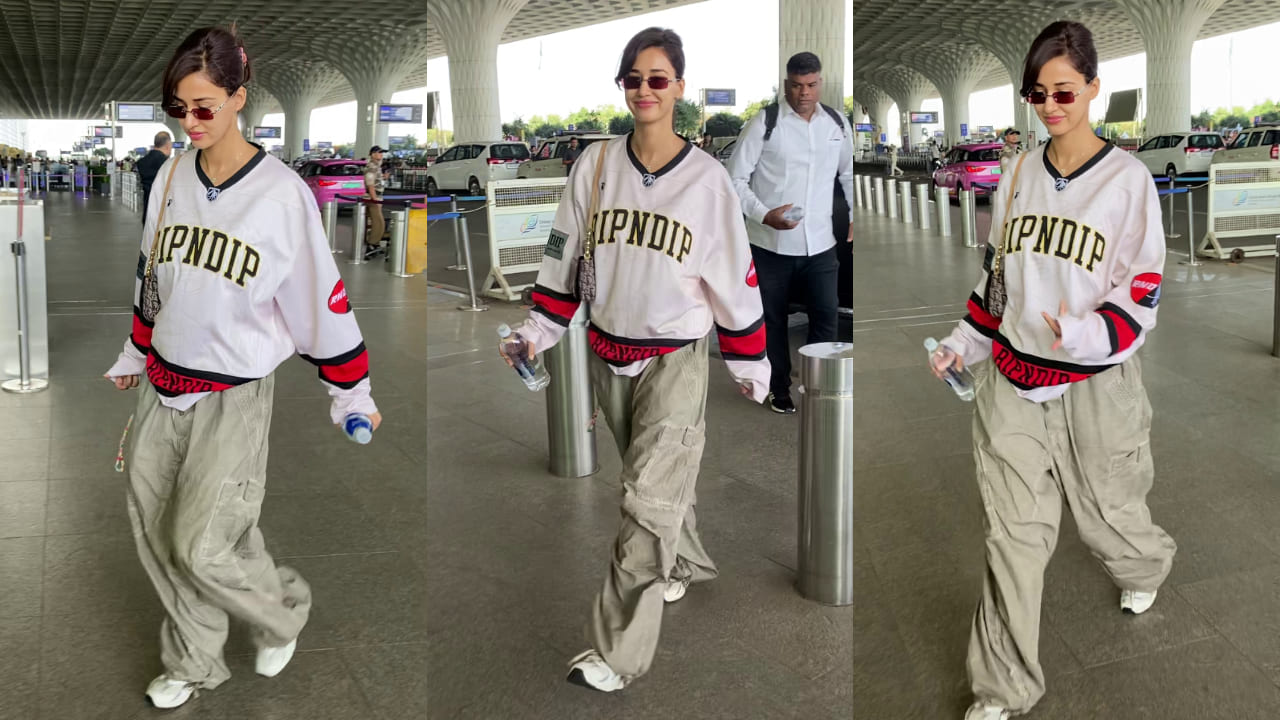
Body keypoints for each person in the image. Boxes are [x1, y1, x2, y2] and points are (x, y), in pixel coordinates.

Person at [102, 25, 382, 710]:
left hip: (233, 393)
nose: (190, 122)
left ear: (238, 99)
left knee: (201, 542)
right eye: (178, 107)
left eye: (204, 106)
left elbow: (322, 301)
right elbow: (152, 278)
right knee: (157, 525)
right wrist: (135, 352)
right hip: (161, 385)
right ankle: (195, 658)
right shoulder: (169, 176)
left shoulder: (281, 195)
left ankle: (284, 608)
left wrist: (352, 392)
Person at [501, 26, 770, 693]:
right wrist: (537, 330)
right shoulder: (593, 167)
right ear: (622, 87)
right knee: (657, 484)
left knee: (647, 500)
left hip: (675, 359)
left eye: (658, 79)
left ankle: (617, 655)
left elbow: (733, 277)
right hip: (606, 353)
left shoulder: (707, 182)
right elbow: (564, 258)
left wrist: (751, 360)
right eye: (633, 78)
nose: (645, 90)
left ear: (678, 86)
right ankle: (687, 563)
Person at [926, 21, 1176, 720]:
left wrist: (1083, 332)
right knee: (1013, 535)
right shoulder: (1016, 177)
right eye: (1037, 93)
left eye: (1064, 91)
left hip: (1096, 384)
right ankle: (1001, 687)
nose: (1050, 106)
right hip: (1011, 382)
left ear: (1094, 87)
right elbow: (994, 289)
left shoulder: (1127, 182)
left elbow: (1142, 295)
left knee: (1109, 517)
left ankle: (1143, 566)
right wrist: (961, 344)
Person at [726, 50, 854, 414]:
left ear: (820, 82)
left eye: (811, 85)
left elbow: (847, 173)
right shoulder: (765, 123)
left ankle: (819, 388)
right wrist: (764, 215)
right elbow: (733, 179)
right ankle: (777, 387)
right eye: (797, 86)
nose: (804, 93)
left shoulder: (836, 124)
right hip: (770, 245)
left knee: (826, 317)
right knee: (773, 320)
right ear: (786, 84)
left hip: (821, 245)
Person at [135, 131, 173, 223]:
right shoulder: (168, 163)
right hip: (165, 211)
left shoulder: (141, 162)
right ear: (168, 145)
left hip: (148, 208)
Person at [363, 145, 387, 252]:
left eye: (382, 152)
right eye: (379, 152)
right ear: (373, 154)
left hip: (376, 196)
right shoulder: (372, 166)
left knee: (376, 222)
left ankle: (375, 243)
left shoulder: (377, 166)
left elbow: (375, 181)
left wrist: (383, 177)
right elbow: (370, 185)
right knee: (379, 223)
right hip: (373, 197)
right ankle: (372, 244)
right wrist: (375, 199)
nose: (381, 154)